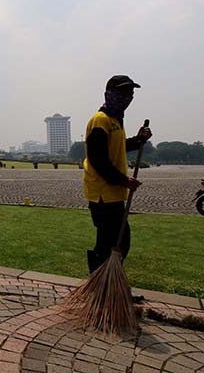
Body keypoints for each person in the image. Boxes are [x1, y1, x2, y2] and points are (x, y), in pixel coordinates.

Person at [83, 75, 152, 274]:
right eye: (122, 92)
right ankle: (99, 287)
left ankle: (106, 285)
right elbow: (98, 159)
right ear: (109, 94)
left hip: (113, 192)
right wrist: (123, 180)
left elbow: (119, 147)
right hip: (102, 193)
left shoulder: (116, 121)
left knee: (117, 242)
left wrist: (139, 140)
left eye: (130, 93)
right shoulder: (100, 121)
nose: (127, 97)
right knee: (111, 243)